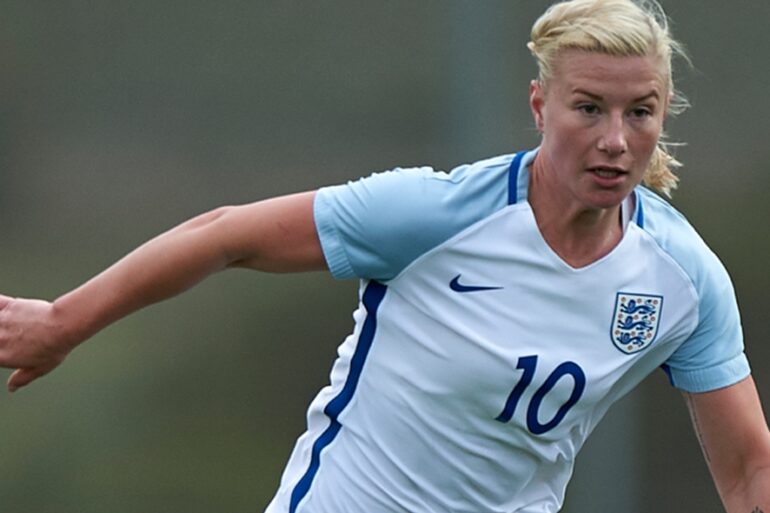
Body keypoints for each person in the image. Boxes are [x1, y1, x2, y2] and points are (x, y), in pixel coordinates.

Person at [0, 0, 768, 511]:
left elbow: (747, 468)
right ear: (540, 107)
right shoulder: (435, 213)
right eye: (588, 108)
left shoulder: (683, 278)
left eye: (640, 112)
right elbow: (226, 232)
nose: (615, 139)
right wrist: (63, 322)